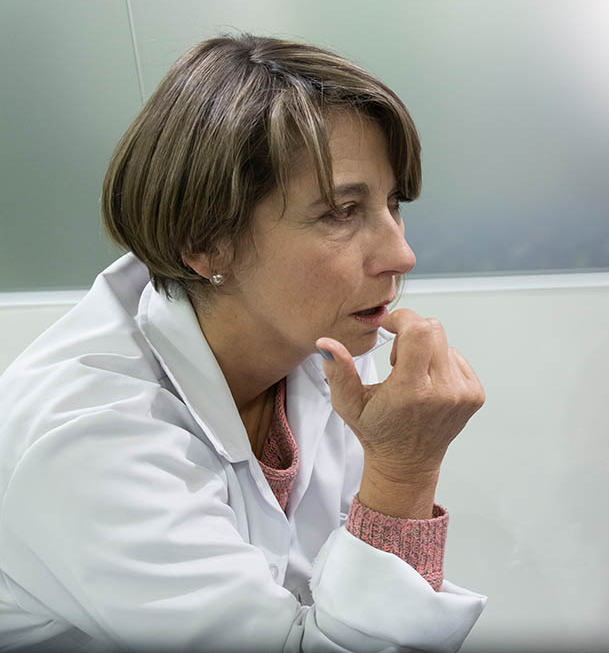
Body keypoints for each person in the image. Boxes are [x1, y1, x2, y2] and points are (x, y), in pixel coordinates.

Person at [0, 34, 486, 652]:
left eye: (393, 204)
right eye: (341, 212)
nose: (401, 255)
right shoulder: (88, 439)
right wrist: (402, 473)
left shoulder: (314, 356)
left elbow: (335, 599)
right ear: (205, 245)